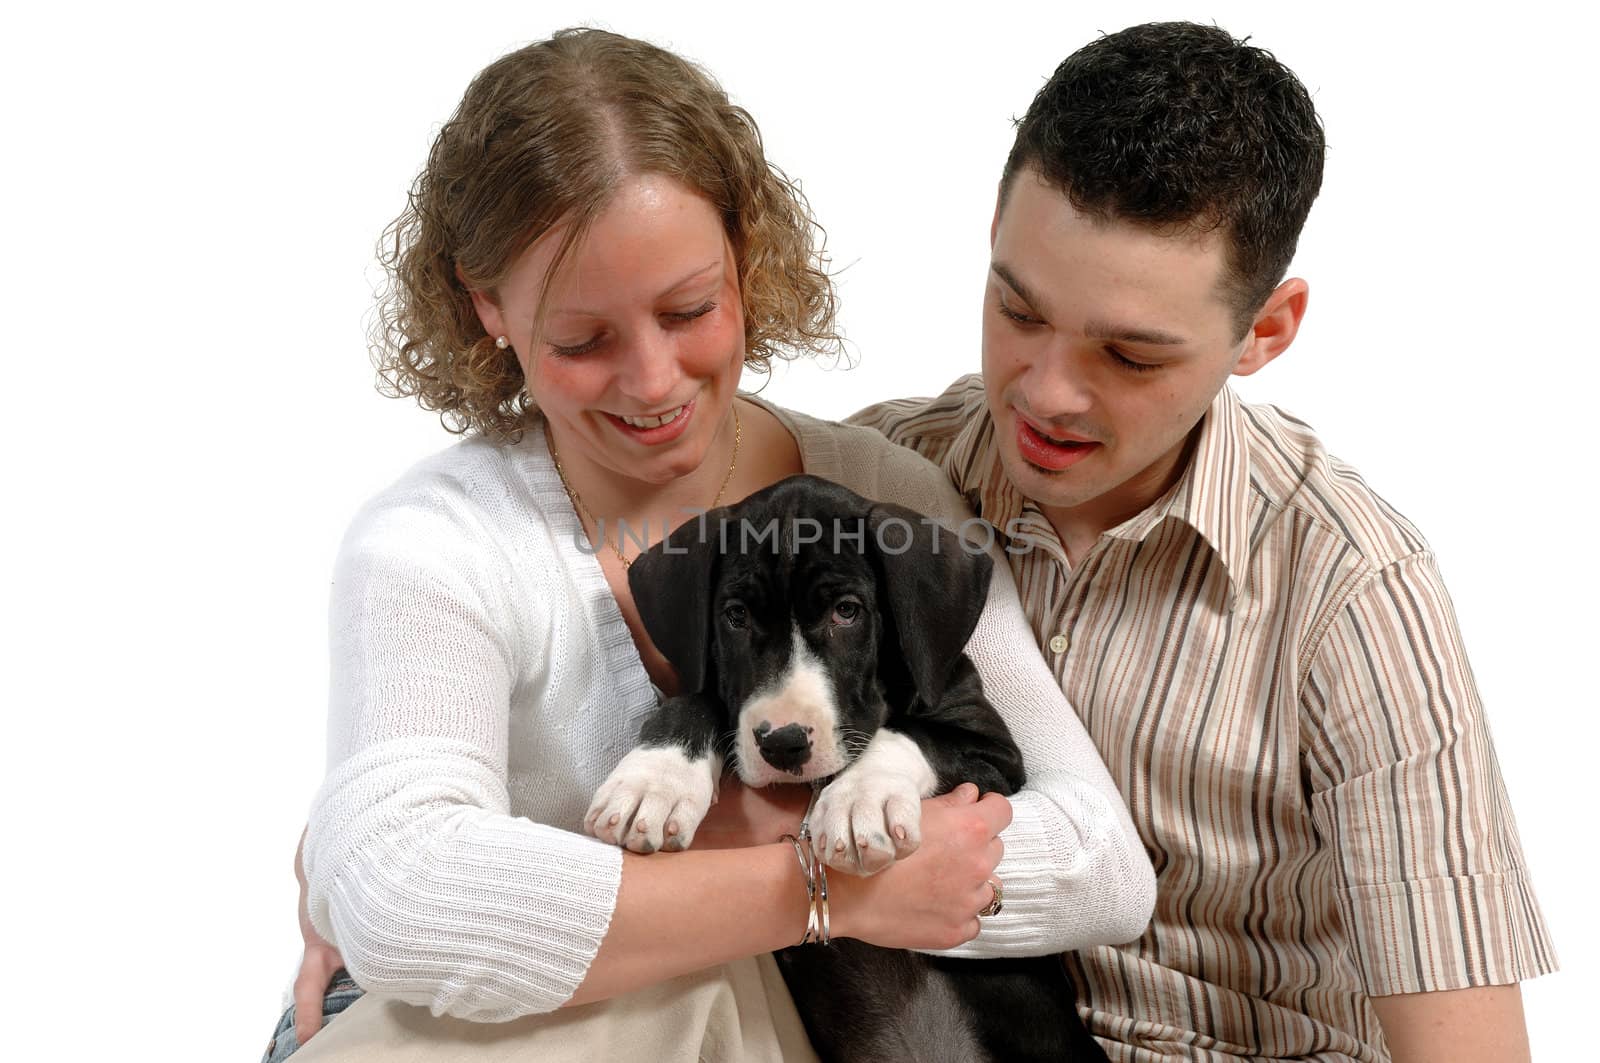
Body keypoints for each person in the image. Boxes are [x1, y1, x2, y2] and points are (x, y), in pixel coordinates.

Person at [263, 26, 1155, 1063]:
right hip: (484, 1036)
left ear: (745, 260)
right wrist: (822, 883)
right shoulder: (435, 542)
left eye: (688, 309)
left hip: (760, 1025)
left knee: (687, 979)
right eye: (582, 339)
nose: (650, 382)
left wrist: (547, 882)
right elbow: (405, 902)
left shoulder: (876, 500)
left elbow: (1100, 863)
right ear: (485, 305)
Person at [848, 21, 1555, 1063]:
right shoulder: (884, 475)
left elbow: (1466, 1048)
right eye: (1016, 308)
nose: (1044, 391)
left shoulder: (1353, 588)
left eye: (1128, 355)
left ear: (1264, 331)